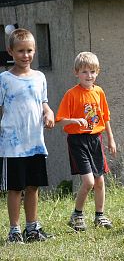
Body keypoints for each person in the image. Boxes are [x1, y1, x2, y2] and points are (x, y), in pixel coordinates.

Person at [0, 28, 55, 243]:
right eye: (21, 51)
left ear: (35, 51)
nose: (26, 55)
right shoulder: (4, 79)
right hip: (12, 146)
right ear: (10, 51)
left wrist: (49, 113)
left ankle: (32, 228)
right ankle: (14, 230)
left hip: (35, 143)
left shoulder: (40, 77)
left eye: (29, 50)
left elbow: (43, 103)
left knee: (33, 186)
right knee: (15, 189)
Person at [56, 52, 117, 232]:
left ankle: (100, 216)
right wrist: (74, 121)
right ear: (76, 73)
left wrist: (110, 139)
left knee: (100, 181)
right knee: (89, 182)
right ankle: (77, 215)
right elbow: (60, 120)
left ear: (97, 72)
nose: (89, 75)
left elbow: (105, 117)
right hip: (77, 141)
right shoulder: (71, 94)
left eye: (92, 71)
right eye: (84, 72)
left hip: (95, 139)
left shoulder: (99, 92)